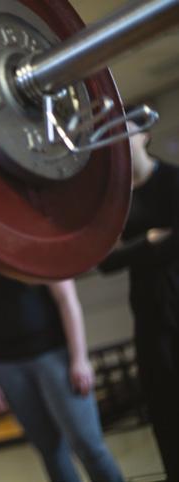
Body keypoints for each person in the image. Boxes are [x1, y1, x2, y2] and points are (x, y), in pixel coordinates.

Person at [0, 254, 123, 482]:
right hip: (8, 367)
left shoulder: (35, 243)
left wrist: (79, 359)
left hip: (54, 356)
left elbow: (66, 300)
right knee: (50, 451)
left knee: (88, 445)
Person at [99, 120, 179, 481]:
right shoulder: (117, 199)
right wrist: (148, 241)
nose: (121, 141)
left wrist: (134, 249)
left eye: (126, 132)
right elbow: (105, 261)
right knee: (163, 403)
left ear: (144, 136)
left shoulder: (173, 179)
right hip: (148, 312)